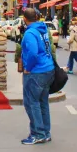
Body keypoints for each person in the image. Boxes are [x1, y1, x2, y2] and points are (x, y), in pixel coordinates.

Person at [20, 8, 55, 144]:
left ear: (25, 19)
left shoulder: (30, 33)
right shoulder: (43, 29)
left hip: (36, 71)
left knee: (32, 103)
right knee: (43, 102)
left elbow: (33, 53)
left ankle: (37, 134)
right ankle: (46, 132)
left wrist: (28, 68)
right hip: (48, 69)